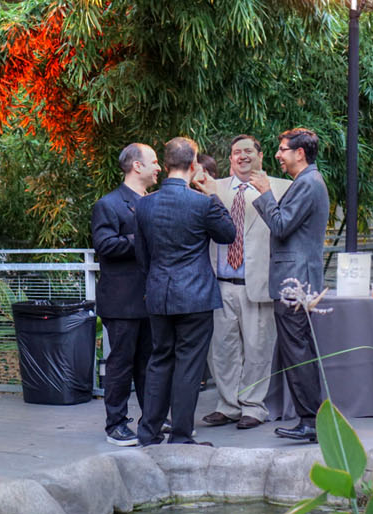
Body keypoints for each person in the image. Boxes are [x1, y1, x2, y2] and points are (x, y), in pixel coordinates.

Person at [135, 138, 236, 447]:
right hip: (195, 295)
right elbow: (228, 234)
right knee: (189, 364)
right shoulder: (203, 203)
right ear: (194, 166)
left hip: (159, 293)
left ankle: (149, 432)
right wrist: (214, 197)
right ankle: (180, 435)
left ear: (165, 166)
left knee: (159, 361)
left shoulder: (144, 204)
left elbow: (142, 255)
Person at [204, 135, 288, 430]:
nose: (242, 156)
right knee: (222, 349)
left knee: (257, 349)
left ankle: (253, 406)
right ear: (230, 159)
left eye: (248, 151)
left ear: (261, 156)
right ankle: (227, 405)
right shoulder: (211, 188)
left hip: (259, 283)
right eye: (236, 152)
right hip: (220, 282)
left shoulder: (281, 188)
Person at [254, 127, 329, 442]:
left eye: (283, 149)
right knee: (300, 350)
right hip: (299, 279)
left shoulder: (308, 183)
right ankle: (312, 419)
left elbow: (282, 225)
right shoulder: (310, 181)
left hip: (293, 284)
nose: (277, 154)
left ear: (300, 153)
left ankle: (310, 421)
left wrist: (265, 192)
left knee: (297, 351)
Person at [91, 143, 158, 447]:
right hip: (121, 301)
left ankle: (152, 420)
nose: (159, 167)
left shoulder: (153, 201)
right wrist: (142, 239)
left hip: (150, 299)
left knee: (149, 362)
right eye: (154, 162)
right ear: (137, 166)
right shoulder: (109, 204)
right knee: (120, 364)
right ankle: (115, 425)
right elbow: (105, 245)